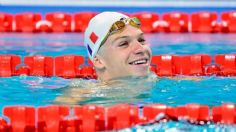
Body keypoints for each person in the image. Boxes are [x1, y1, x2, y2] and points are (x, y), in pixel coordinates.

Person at [84, 11, 153, 82]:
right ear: (98, 61)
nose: (140, 49)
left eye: (141, 40)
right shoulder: (80, 93)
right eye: (124, 44)